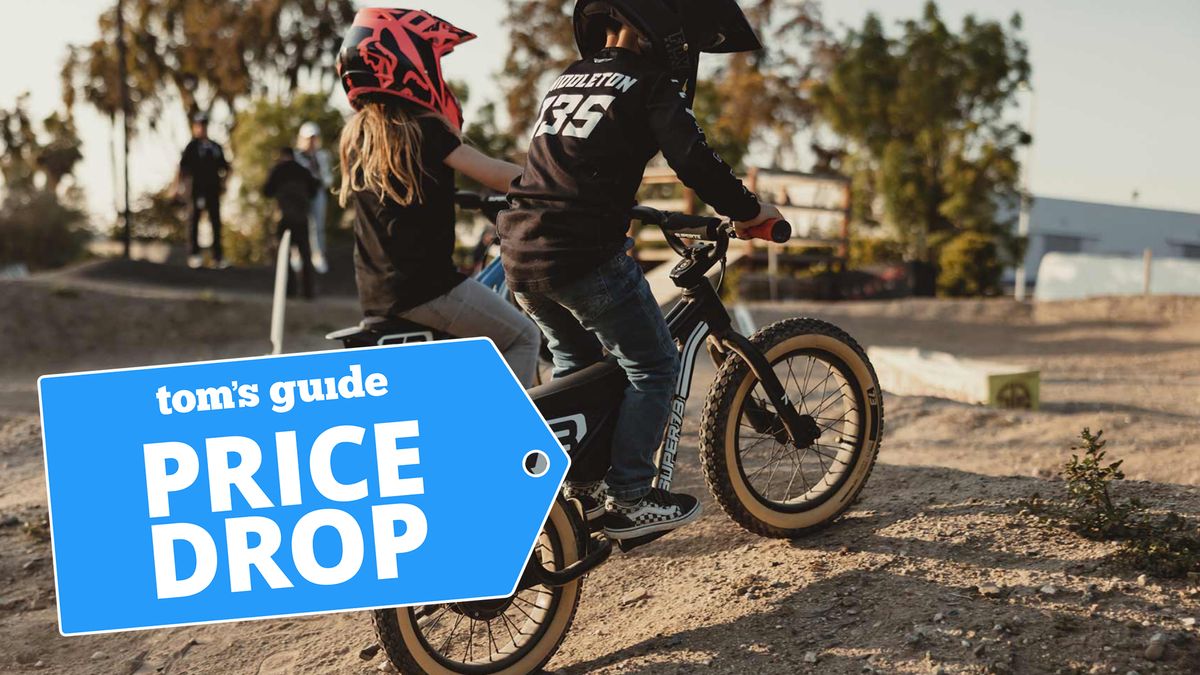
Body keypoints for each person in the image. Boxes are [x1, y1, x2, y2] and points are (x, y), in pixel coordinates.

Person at [498, 0, 784, 541]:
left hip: (521, 252)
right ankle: (629, 496)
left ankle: (580, 486)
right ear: (661, 25)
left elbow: (573, 166)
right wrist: (748, 212)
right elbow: (694, 160)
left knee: (577, 364)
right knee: (654, 366)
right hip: (582, 255)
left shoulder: (567, 79)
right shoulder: (649, 81)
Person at [335, 8, 542, 386]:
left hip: (377, 296)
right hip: (428, 291)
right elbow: (495, 173)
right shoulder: (425, 129)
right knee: (523, 337)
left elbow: (397, 196)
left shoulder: (358, 138)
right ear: (408, 62)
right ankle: (508, 438)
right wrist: (553, 183)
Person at [174, 112, 230, 269]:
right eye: (199, 125)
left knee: (215, 222)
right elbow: (182, 168)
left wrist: (224, 185)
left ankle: (217, 257)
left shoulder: (215, 147)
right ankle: (194, 255)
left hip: (212, 190)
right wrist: (178, 189)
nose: (202, 128)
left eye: (204, 125)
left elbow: (226, 168)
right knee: (194, 221)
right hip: (195, 190)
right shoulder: (191, 147)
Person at [264, 147, 319, 299]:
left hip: (284, 218)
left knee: (284, 255)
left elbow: (266, 191)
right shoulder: (302, 170)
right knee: (305, 255)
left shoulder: (278, 170)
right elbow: (314, 190)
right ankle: (308, 292)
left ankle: (289, 290)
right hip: (302, 218)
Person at [294, 122, 334, 274]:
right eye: (308, 138)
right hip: (301, 195)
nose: (311, 141)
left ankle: (318, 256)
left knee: (318, 226)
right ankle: (297, 256)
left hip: (317, 192)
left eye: (313, 138)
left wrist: (320, 179)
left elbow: (328, 177)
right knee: (300, 225)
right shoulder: (296, 156)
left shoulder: (322, 156)